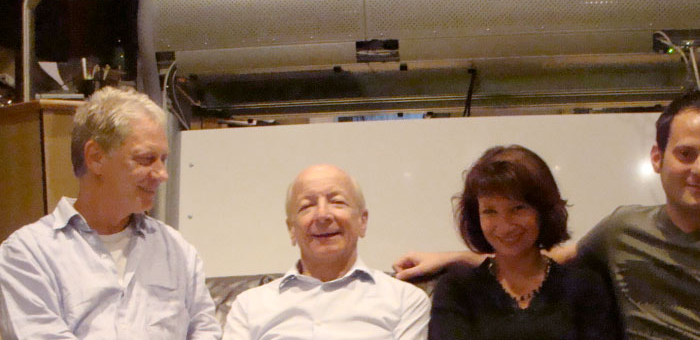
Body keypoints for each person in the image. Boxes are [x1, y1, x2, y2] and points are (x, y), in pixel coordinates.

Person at [393, 91, 700, 339]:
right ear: (657, 158)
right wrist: (454, 258)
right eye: (685, 153)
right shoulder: (624, 229)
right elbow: (536, 258)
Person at [0, 86, 221, 339]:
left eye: (163, 159)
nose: (162, 174)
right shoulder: (28, 255)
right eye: (146, 159)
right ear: (96, 157)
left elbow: (205, 330)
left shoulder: (176, 250)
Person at [429, 146, 618, 340]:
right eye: (490, 211)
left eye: (518, 208)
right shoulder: (456, 289)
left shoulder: (584, 287)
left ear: (542, 210)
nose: (504, 226)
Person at [223, 164, 431, 340]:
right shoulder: (249, 306)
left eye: (337, 202)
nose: (322, 215)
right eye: (307, 206)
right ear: (291, 229)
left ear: (362, 221)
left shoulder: (405, 301)